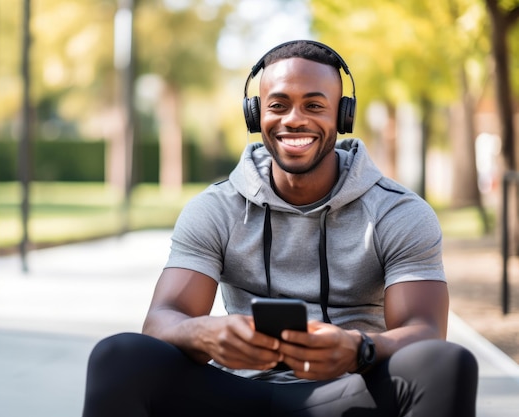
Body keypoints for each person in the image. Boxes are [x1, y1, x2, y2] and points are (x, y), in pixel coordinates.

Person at [82, 40, 479, 417]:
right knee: (119, 357)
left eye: (314, 105)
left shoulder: (398, 211)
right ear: (256, 115)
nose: (294, 119)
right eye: (278, 105)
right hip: (233, 393)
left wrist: (360, 349)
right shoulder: (215, 207)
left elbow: (425, 330)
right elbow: (161, 320)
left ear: (342, 116)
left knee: (447, 363)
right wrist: (206, 333)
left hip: (347, 394)